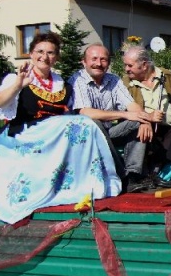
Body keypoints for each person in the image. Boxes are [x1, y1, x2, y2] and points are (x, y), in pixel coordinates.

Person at [0, 32, 121, 224]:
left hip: (54, 138)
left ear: (56, 57)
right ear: (31, 54)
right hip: (25, 135)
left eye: (50, 52)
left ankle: (87, 183)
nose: (44, 57)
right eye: (39, 51)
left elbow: (69, 115)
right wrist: (18, 85)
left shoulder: (61, 84)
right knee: (80, 123)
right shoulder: (17, 78)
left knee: (85, 124)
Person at [68, 43, 158, 193]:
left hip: (109, 133)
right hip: (85, 137)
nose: (98, 63)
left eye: (103, 60)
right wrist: (125, 114)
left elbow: (131, 105)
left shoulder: (113, 80)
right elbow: (85, 112)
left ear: (108, 63)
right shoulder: (77, 79)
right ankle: (122, 174)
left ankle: (133, 175)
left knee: (138, 120)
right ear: (84, 62)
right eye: (94, 59)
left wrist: (145, 120)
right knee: (93, 123)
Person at [122, 45, 171, 188]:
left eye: (130, 65)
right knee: (140, 131)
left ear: (144, 65)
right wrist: (147, 118)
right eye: (125, 65)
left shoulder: (169, 77)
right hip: (147, 128)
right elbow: (126, 109)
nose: (126, 69)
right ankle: (145, 174)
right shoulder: (126, 83)